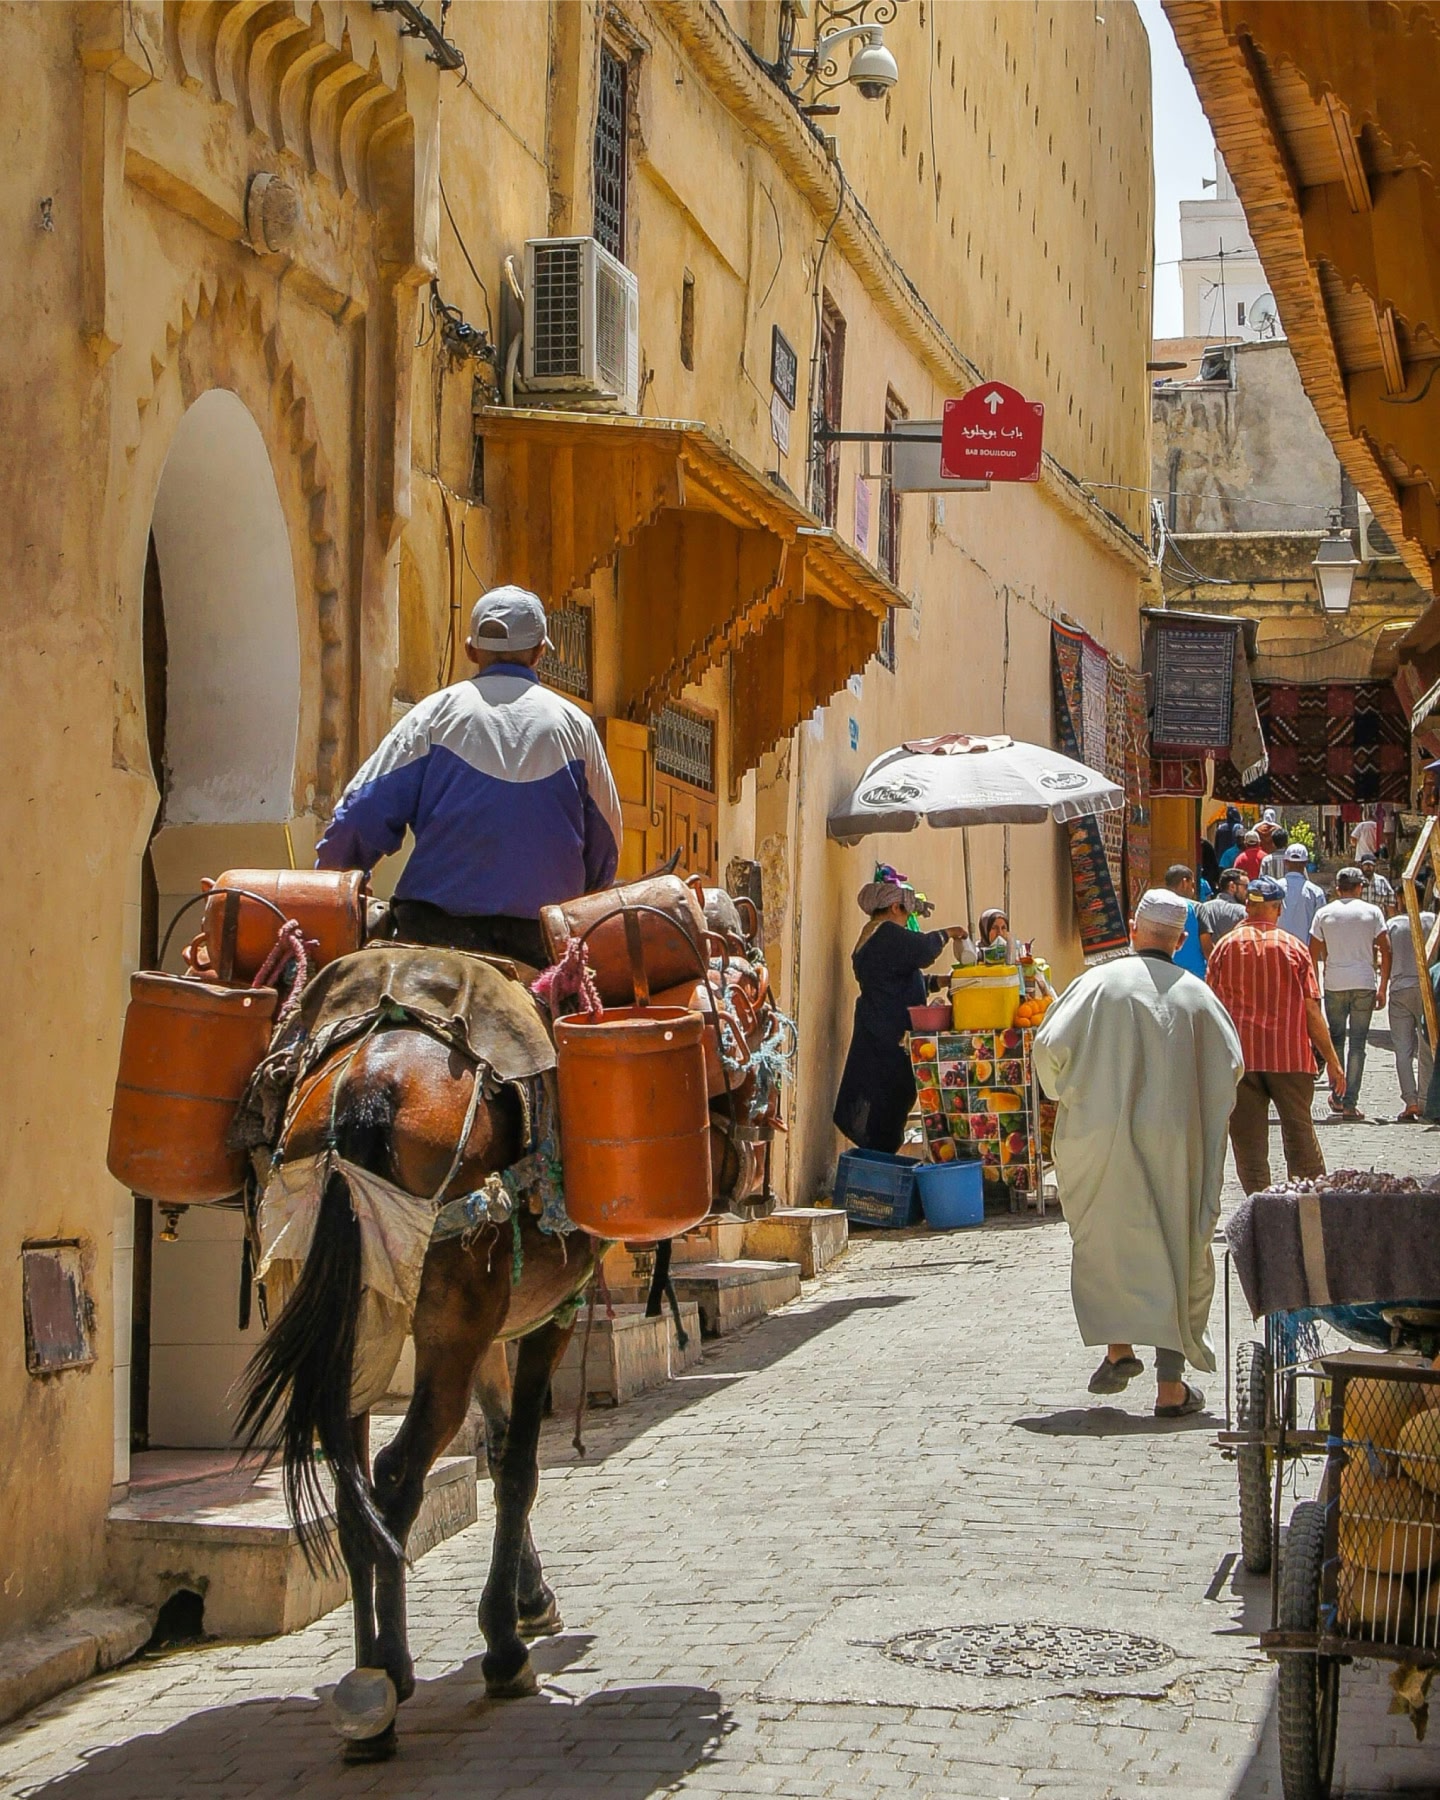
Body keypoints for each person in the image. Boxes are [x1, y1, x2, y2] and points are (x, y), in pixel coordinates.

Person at [316, 585, 623, 968]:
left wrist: (332, 887)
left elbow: (360, 816)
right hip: (541, 942)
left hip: (431, 931)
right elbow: (605, 847)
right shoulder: (576, 727)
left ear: (471, 651)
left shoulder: (433, 715)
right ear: (540, 653)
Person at [1033, 889, 1243, 1418]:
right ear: (1180, 940)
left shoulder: (1096, 984)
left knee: (1109, 1239)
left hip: (1102, 1135)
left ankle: (1120, 1349)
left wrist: (1065, 1091)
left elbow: (1048, 1049)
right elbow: (1232, 1065)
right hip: (1178, 1139)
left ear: (1133, 928)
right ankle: (1170, 1387)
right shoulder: (1198, 995)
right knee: (1178, 1241)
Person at [1206, 877, 1344, 1195]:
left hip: (1242, 1060)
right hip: (1290, 1057)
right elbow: (1311, 1011)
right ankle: (1309, 1207)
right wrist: (1333, 1061)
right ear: (1277, 908)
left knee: (1249, 1145)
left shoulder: (1224, 948)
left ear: (1247, 906)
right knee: (1300, 1136)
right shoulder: (1293, 947)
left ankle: (1260, 1210)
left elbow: (1210, 1008)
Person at [834, 876, 966, 1154]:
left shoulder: (874, 937)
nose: (908, 919)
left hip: (878, 1027)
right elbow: (923, 950)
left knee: (883, 1101)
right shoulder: (886, 934)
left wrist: (939, 982)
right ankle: (879, 1166)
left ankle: (879, 1158)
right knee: (885, 1102)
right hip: (887, 1034)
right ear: (895, 908)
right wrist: (948, 933)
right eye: (906, 912)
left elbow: (899, 979)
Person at [1310, 867, 1390, 1121]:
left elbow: (1312, 953)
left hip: (1334, 983)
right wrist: (1383, 986)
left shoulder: (1324, 913)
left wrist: (1315, 984)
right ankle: (1350, 1103)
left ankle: (1338, 1094)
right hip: (1364, 982)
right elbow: (1386, 950)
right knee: (1358, 1044)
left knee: (1336, 1041)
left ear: (1337, 888)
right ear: (1359, 888)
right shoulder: (1372, 912)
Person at [1386, 907, 1436, 1122]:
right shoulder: (1432, 920)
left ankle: (1410, 1101)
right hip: (1427, 988)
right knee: (1426, 1047)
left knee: (1402, 1050)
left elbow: (1384, 956)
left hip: (1400, 989)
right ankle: (1425, 1100)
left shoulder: (1393, 924)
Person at [1163, 864, 1207, 976]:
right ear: (1184, 882)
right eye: (1192, 885)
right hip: (1194, 976)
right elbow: (1206, 945)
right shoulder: (1197, 908)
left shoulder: (1155, 906)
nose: (1193, 890)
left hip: (1163, 973)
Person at [1278, 843, 1326, 945]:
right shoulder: (1315, 892)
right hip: (1304, 951)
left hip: (1278, 948)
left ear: (1285, 862)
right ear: (1305, 863)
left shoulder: (1275, 888)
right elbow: (1321, 926)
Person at [1198, 869, 1249, 956]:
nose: (1248, 891)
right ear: (1232, 886)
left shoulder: (1202, 908)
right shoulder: (1242, 911)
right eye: (1246, 887)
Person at [1359, 852, 1396, 917]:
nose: (1368, 868)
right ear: (1361, 866)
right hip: (1360, 920)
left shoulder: (1382, 881)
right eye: (1366, 865)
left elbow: (1390, 903)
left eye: (1370, 865)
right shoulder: (1357, 882)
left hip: (1377, 921)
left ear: (1374, 866)